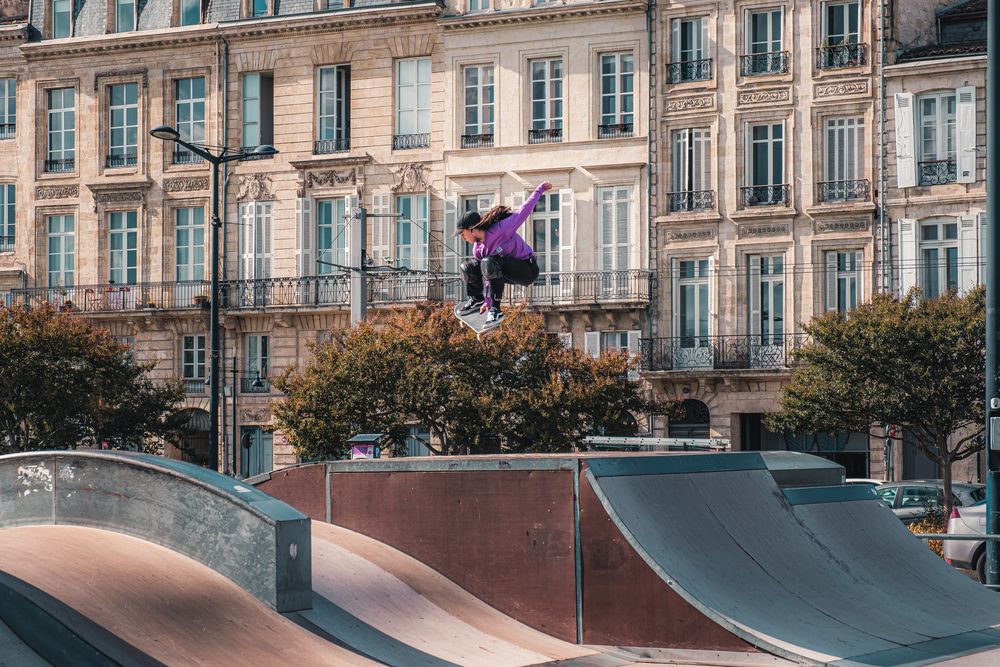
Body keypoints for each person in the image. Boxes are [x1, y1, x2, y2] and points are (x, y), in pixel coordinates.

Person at [455, 181, 552, 324]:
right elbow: (487, 277)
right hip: (505, 273)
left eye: (463, 234)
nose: (463, 238)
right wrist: (487, 301)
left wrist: (540, 189)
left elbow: (523, 212)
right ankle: (477, 299)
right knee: (468, 267)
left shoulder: (500, 229)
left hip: (527, 270)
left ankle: (496, 310)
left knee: (489, 261)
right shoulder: (478, 250)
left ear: (472, 229)